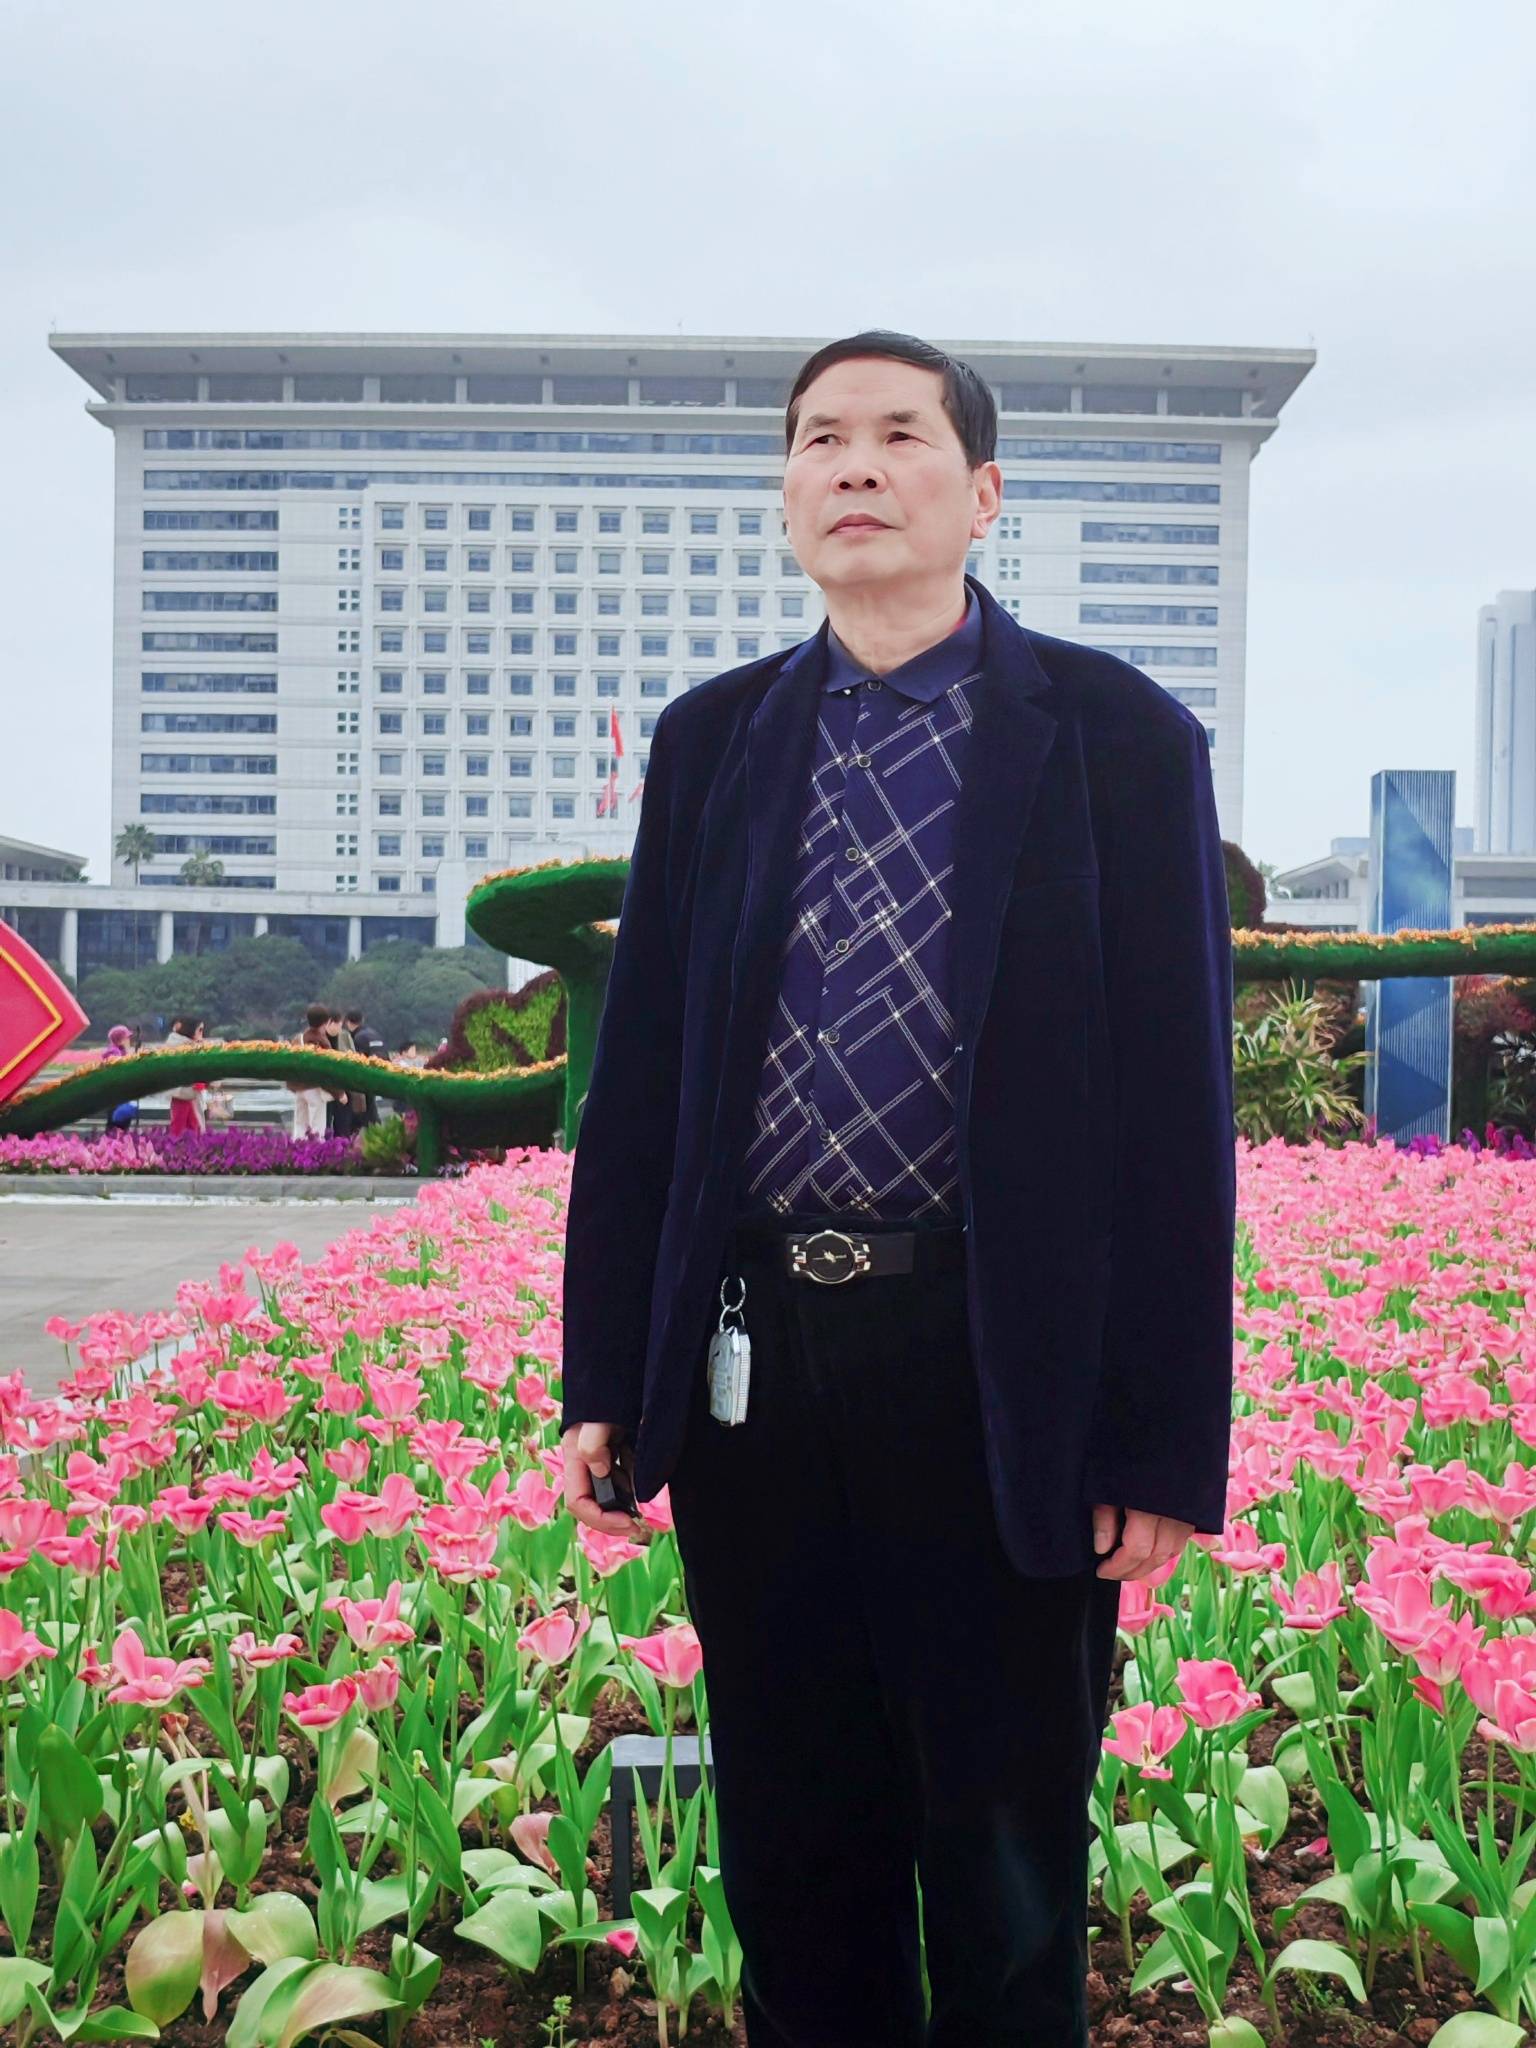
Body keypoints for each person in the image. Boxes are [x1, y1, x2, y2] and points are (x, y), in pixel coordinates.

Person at [559, 331, 1236, 2046]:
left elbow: (1176, 1113)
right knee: (796, 1848)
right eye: (820, 439)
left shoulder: (1118, 738)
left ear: (982, 493)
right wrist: (605, 1374)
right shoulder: (714, 741)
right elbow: (644, 1085)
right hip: (759, 1365)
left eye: (900, 435)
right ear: (787, 491)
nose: (855, 465)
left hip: (996, 1371)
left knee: (1006, 1860)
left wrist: (1161, 1448)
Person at [288, 1003, 341, 1141]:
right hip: (314, 1089)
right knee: (317, 1128)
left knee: (299, 1127)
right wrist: (339, 1093)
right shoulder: (322, 1042)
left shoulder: (298, 1039)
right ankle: (316, 1153)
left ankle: (296, 1151)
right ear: (325, 1022)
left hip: (299, 1089)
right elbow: (325, 1071)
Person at [162, 1017, 208, 1137]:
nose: (201, 1034)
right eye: (200, 1030)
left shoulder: (190, 1045)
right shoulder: (179, 1046)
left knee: (192, 1125)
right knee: (182, 1126)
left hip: (190, 1092)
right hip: (183, 1092)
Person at [341, 1006, 381, 1126]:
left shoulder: (357, 1037)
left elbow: (356, 1061)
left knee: (362, 1112)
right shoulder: (374, 1034)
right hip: (379, 1075)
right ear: (362, 1019)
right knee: (372, 1109)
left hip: (363, 1080)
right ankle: (376, 1130)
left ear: (348, 1022)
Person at [100, 1025, 138, 1136]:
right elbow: (124, 1068)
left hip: (123, 1093)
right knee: (116, 1122)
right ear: (120, 1040)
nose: (129, 1040)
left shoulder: (121, 1052)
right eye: (127, 1038)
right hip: (115, 1094)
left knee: (123, 1123)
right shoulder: (112, 1054)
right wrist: (128, 1050)